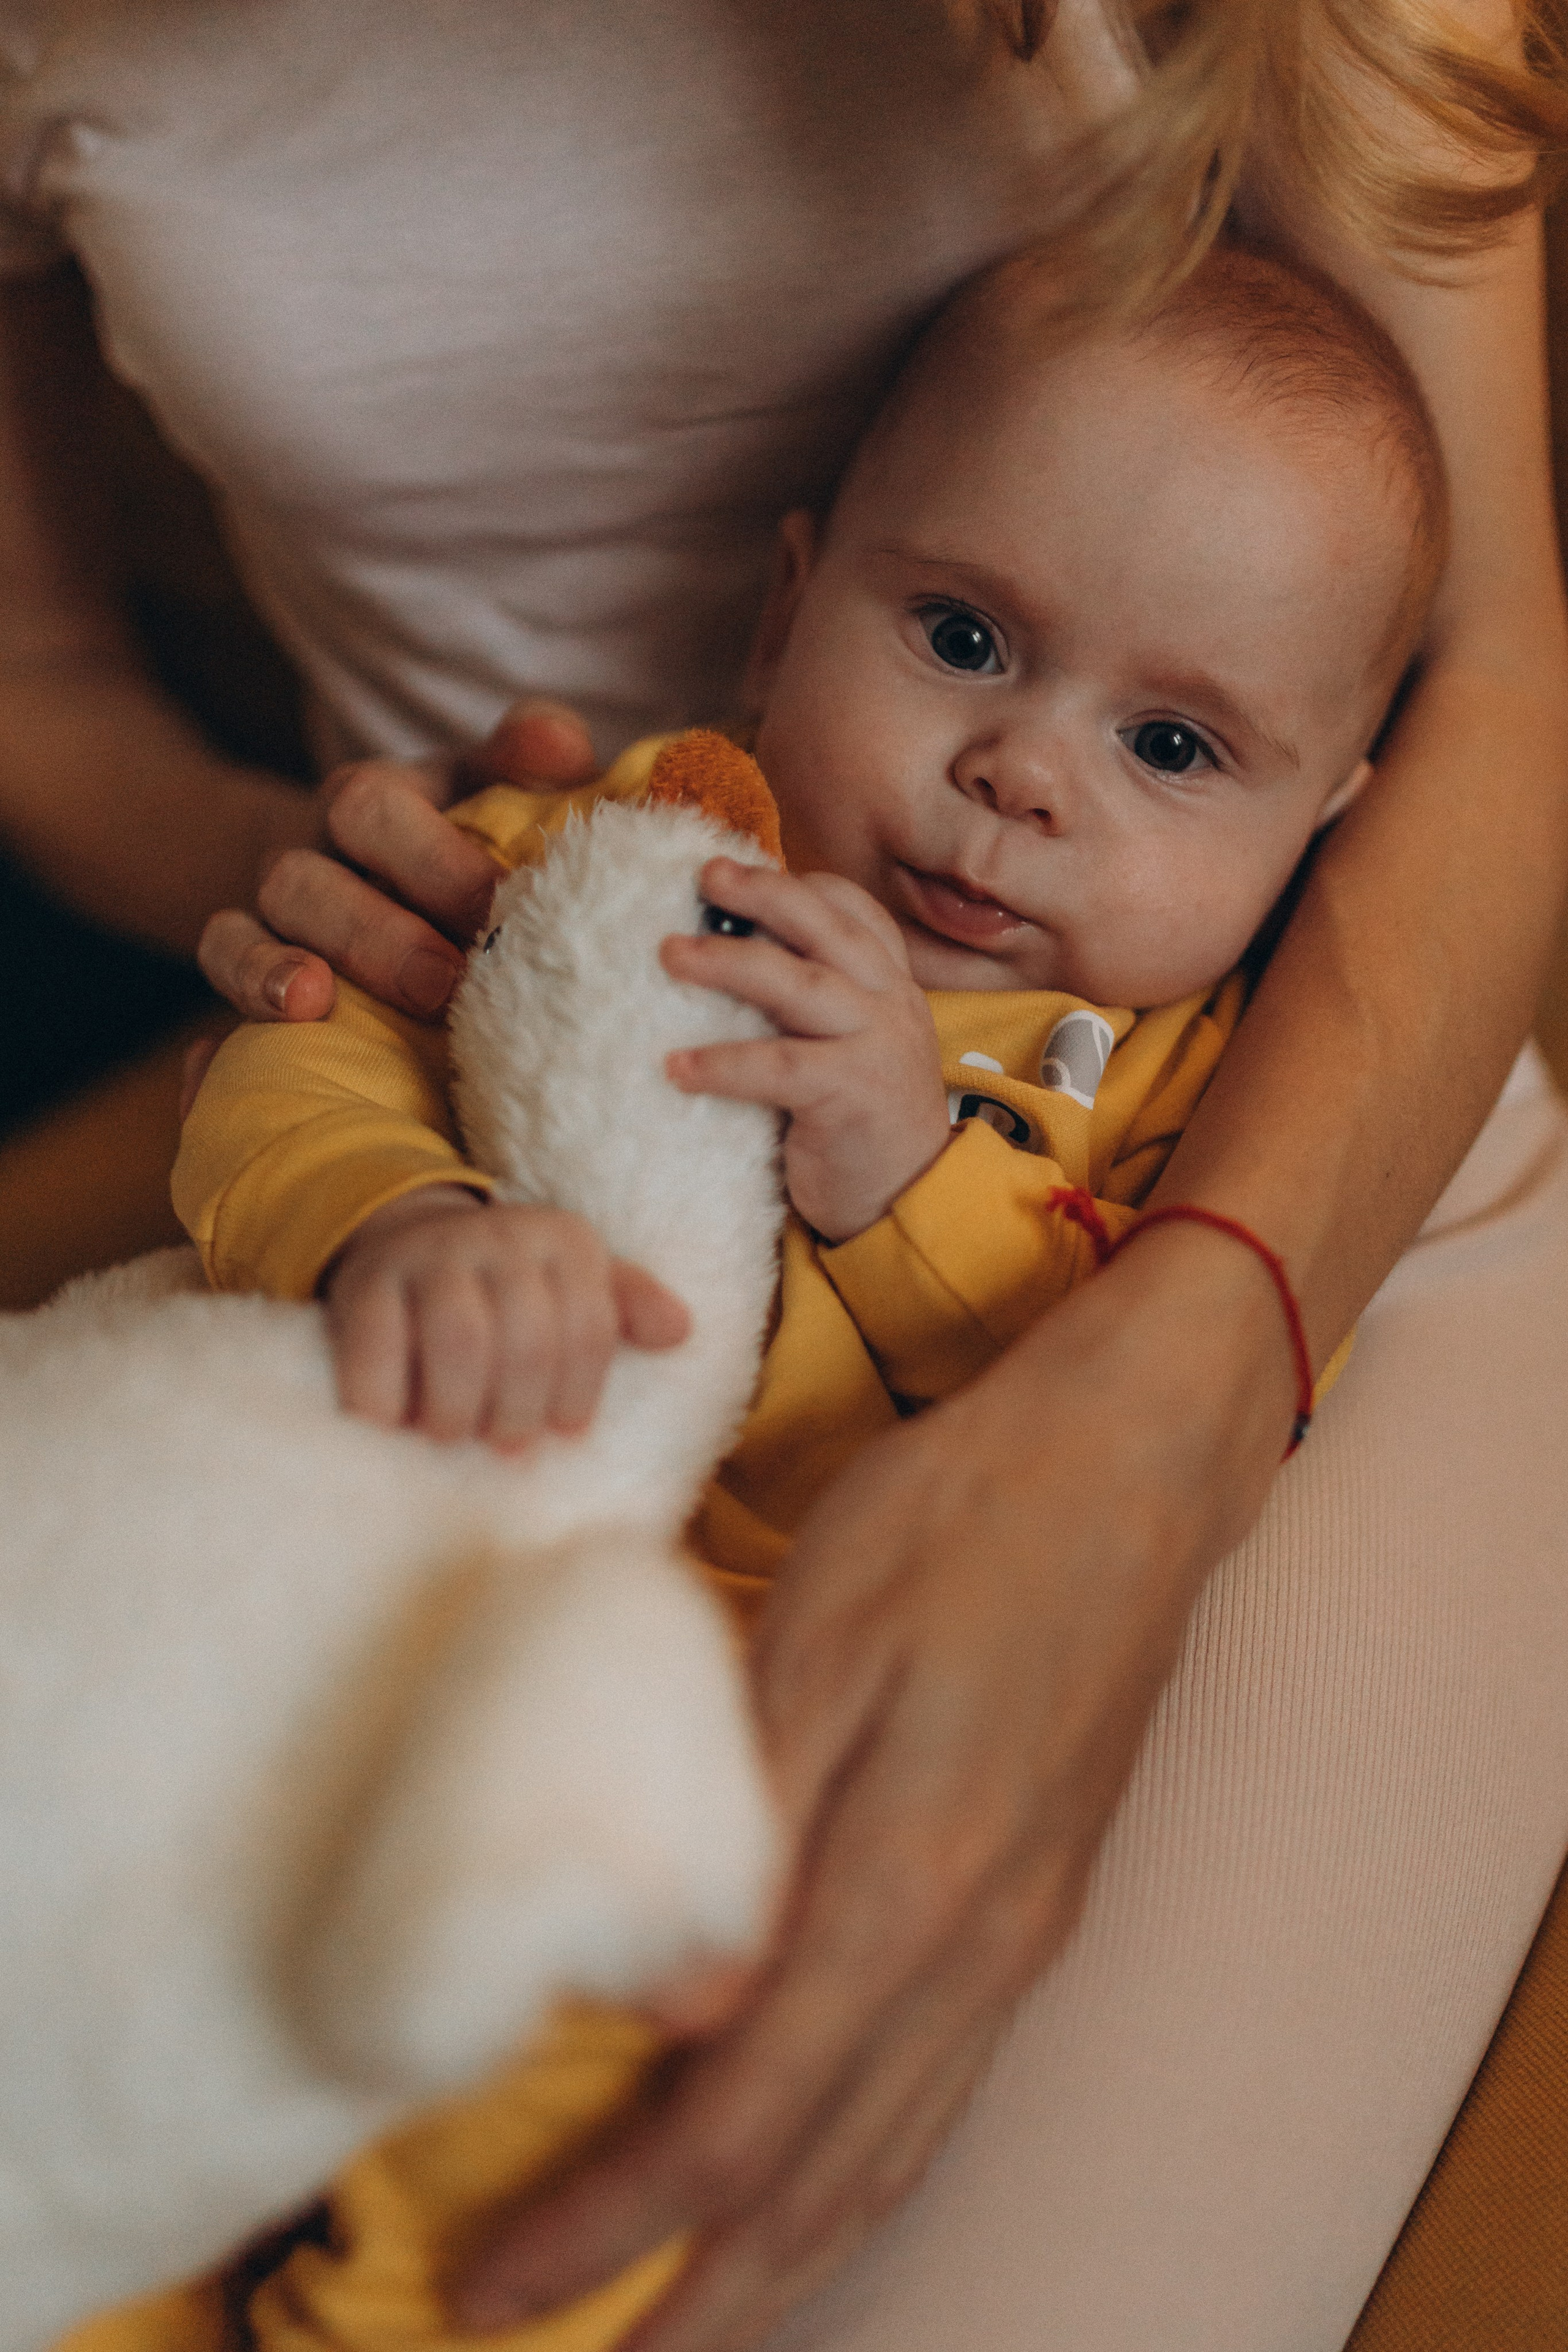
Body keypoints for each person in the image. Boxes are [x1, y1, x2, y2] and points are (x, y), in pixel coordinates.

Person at [7, 7, 1568, 2349]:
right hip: (510, 1498)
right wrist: (393, 1144)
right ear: (789, 605)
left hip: (1304, 1207)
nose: (1024, 776)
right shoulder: (612, 872)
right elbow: (290, 1059)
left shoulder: (1137, 1075)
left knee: (602, 2194)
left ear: (1300, 802)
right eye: (958, 644)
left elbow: (1490, 676)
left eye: (1164, 744)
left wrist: (916, 1182)